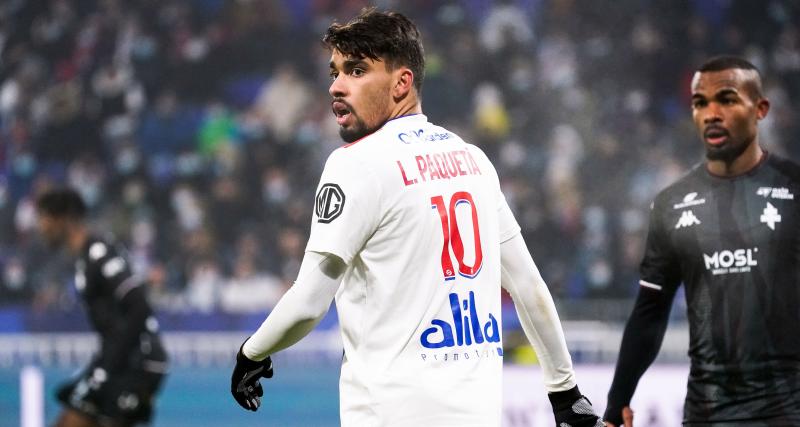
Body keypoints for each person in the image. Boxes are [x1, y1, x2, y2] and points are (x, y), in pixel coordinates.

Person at [229, 8, 602, 427]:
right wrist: (565, 393)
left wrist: (252, 353)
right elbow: (529, 287)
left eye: (356, 71)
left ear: (401, 83)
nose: (336, 85)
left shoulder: (356, 164)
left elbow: (309, 304)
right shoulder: (473, 161)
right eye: (335, 72)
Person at [604, 55, 800, 426]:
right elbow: (650, 312)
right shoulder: (672, 204)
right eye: (700, 103)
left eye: (726, 100)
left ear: (760, 109)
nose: (711, 113)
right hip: (706, 414)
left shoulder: (794, 189)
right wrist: (616, 405)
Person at [35, 188, 168, 427]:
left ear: (65, 219)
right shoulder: (85, 258)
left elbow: (138, 306)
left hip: (137, 361)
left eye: (45, 218)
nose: (41, 227)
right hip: (120, 361)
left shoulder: (99, 252)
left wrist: (106, 368)